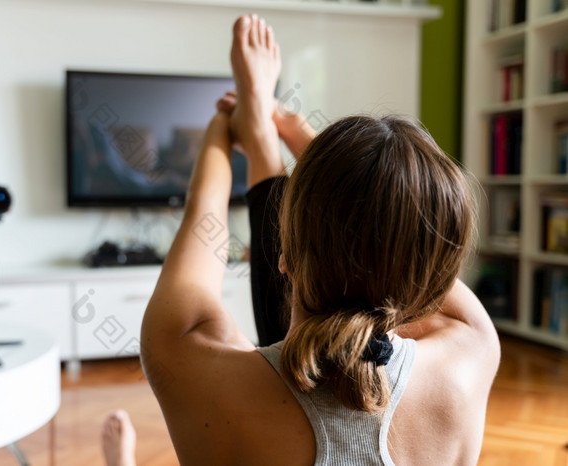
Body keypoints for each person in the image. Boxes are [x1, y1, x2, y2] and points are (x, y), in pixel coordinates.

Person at [103, 14, 501, 466]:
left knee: (258, 356)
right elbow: (408, 233)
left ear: (281, 254)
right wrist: (285, 123)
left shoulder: (192, 367)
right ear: (431, 282)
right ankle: (260, 139)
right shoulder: (472, 350)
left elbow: (202, 214)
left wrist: (228, 126)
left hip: (264, 387)